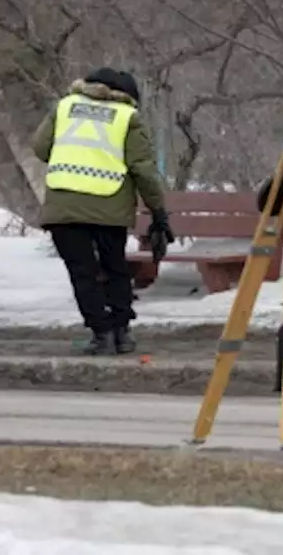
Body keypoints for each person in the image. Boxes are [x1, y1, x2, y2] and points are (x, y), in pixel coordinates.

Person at [32, 67, 173, 356]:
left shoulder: (66, 107)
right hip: (110, 208)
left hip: (64, 207)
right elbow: (143, 170)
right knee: (115, 268)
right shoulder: (126, 117)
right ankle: (122, 333)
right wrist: (158, 212)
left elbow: (40, 148)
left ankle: (100, 333)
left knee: (82, 272)